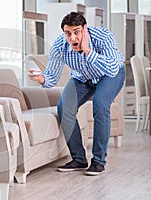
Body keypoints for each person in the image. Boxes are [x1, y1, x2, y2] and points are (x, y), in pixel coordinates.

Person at [29, 11, 125, 176]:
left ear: (85, 29)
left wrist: (88, 51)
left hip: (109, 75)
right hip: (82, 78)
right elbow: (51, 76)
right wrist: (41, 78)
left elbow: (112, 68)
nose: (72, 38)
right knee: (64, 107)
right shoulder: (60, 46)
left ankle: (98, 161)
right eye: (68, 33)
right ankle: (79, 159)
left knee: (101, 105)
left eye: (76, 32)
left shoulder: (103, 37)